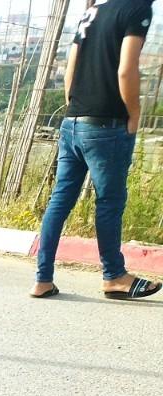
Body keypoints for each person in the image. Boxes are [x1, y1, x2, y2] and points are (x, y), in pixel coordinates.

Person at [31, 0, 159, 299]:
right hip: (107, 125)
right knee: (109, 203)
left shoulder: (93, 11)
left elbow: (69, 67)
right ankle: (114, 276)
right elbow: (127, 70)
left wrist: (74, 108)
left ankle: (42, 279)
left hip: (73, 121)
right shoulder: (137, 9)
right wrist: (135, 113)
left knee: (59, 201)